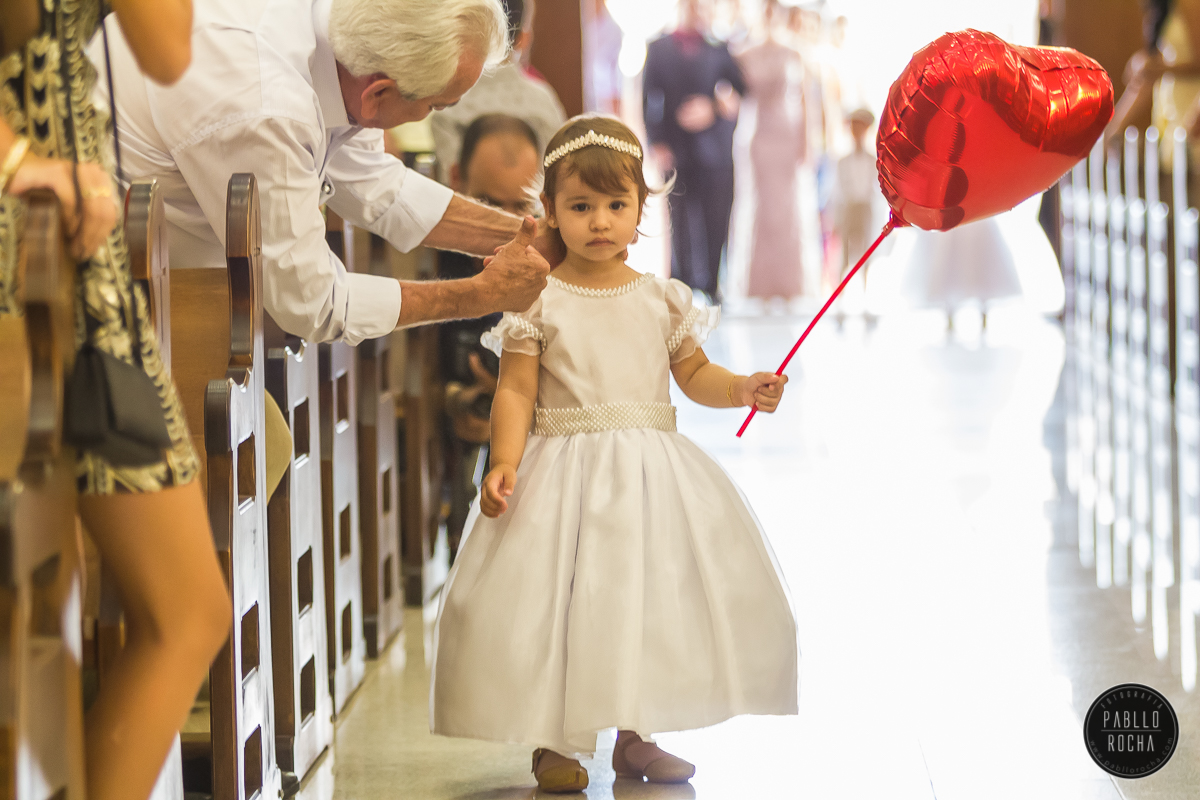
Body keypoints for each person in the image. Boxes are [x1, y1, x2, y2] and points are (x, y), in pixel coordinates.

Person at [430, 115, 798, 793]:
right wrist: (504, 460)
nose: (600, 222)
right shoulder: (538, 299)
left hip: (647, 480)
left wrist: (742, 387)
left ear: (640, 212)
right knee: (563, 603)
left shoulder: (662, 299)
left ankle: (636, 736)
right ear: (548, 212)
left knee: (640, 599)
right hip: (563, 471)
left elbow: (694, 375)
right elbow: (515, 390)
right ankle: (554, 740)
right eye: (580, 207)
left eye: (615, 206)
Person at [0, 2, 231, 800]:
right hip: (17, 241)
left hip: (82, 263)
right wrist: (15, 159)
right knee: (32, 619)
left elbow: (167, 52)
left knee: (187, 611)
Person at [104, 0, 553, 348]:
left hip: (176, 284)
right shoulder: (267, 104)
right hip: (116, 295)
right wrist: (478, 296)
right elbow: (312, 303)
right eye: (434, 106)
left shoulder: (349, 36)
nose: (430, 115)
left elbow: (378, 183)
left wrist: (538, 236)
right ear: (378, 94)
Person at [438, 114, 542, 560]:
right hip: (451, 412)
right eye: (487, 204)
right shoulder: (436, 254)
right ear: (456, 180)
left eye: (520, 208)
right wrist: (455, 398)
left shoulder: (554, 261)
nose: (504, 224)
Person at [643, 0, 746, 302]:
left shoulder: (719, 48)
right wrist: (656, 142)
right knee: (679, 219)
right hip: (674, 149)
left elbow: (741, 90)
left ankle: (712, 283)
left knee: (716, 216)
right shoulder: (659, 47)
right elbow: (648, 99)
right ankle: (681, 283)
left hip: (714, 149)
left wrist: (713, 107)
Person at [431, 0, 568, 184]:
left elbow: (450, 186)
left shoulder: (448, 104)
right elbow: (559, 181)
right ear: (523, 38)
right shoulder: (544, 102)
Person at [739, 0, 806, 302]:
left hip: (785, 133)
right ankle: (760, 286)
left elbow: (805, 102)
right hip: (758, 134)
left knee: (786, 208)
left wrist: (806, 141)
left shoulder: (793, 52)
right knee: (761, 208)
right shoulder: (743, 54)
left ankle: (788, 284)